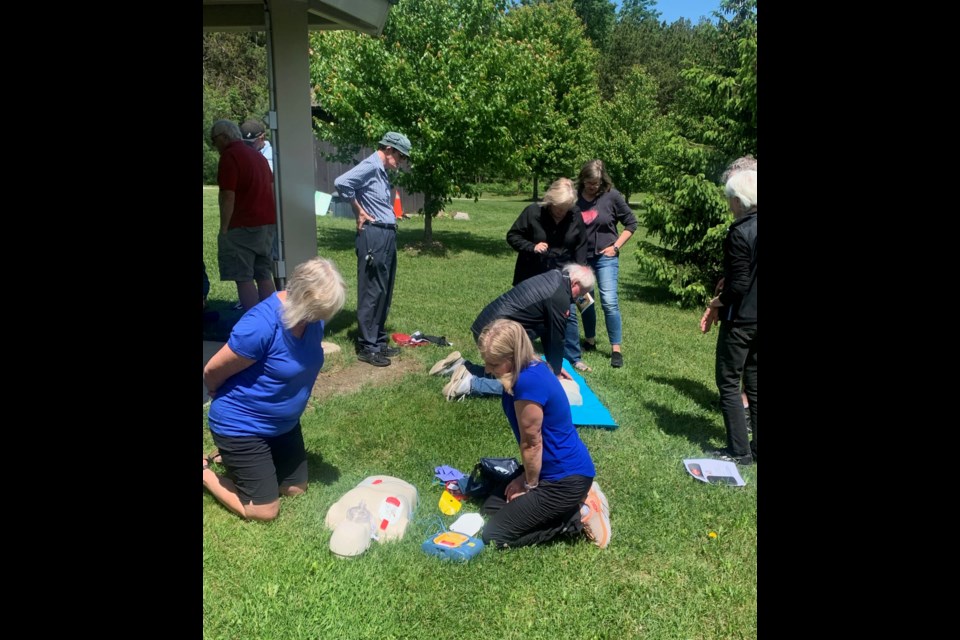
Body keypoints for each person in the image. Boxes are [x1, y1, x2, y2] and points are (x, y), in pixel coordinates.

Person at [203, 257, 347, 520]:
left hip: (283, 425)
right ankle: (206, 474)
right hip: (241, 425)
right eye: (318, 311)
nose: (321, 318)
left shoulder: (313, 319)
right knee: (264, 511)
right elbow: (212, 371)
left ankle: (231, 457)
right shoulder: (260, 325)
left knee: (294, 489)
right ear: (303, 297)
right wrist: (216, 393)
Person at [474, 318, 611, 549]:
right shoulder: (528, 368)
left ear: (512, 357)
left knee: (495, 536)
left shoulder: (528, 383)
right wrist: (522, 479)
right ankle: (570, 504)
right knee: (492, 505)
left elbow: (531, 443)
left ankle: (577, 516)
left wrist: (528, 484)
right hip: (548, 471)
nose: (488, 369)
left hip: (565, 480)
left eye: (494, 364)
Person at [434, 264, 595, 400]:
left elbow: (548, 331)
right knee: (529, 384)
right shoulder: (560, 297)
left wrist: (555, 368)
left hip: (486, 328)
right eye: (580, 293)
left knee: (518, 372)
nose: (577, 299)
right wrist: (556, 376)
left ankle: (460, 367)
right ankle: (469, 384)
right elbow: (556, 339)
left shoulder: (555, 276)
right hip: (495, 338)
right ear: (575, 283)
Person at [334, 132, 411, 367]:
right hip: (374, 233)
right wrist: (359, 210)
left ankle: (377, 340)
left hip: (386, 233)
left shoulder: (381, 171)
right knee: (372, 289)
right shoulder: (370, 166)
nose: (401, 161)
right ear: (388, 149)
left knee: (384, 289)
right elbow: (341, 183)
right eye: (399, 155)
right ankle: (367, 346)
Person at [699, 170, 757, 465]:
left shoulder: (739, 231)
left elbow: (740, 285)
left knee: (729, 380)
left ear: (739, 200)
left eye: (730, 199)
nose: (728, 204)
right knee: (756, 381)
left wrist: (717, 302)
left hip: (742, 319)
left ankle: (738, 450)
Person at [506, 177, 589, 371]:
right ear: (550, 201)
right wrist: (532, 246)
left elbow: (581, 245)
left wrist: (581, 272)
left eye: (565, 208)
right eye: (558, 208)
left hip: (562, 273)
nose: (561, 213)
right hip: (532, 273)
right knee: (528, 317)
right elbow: (512, 236)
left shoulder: (575, 214)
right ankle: (520, 354)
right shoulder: (533, 212)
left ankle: (573, 357)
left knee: (568, 314)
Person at [574, 160, 639, 368]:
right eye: (589, 183)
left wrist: (616, 247)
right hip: (582, 258)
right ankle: (590, 340)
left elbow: (631, 223)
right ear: (582, 179)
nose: (593, 187)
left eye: (596, 183)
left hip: (605, 257)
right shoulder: (575, 198)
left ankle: (616, 349)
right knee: (584, 299)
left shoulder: (612, 196)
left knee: (609, 300)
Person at [210, 119, 277, 311]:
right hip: (266, 224)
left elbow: (227, 195)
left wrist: (224, 229)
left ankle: (254, 327)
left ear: (224, 137)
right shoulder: (259, 157)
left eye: (214, 141)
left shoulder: (230, 156)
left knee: (243, 277)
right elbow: (271, 190)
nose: (214, 146)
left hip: (243, 227)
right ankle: (272, 321)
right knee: (264, 275)